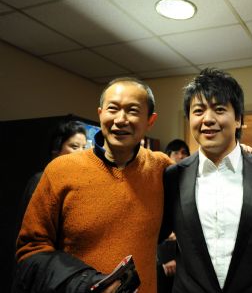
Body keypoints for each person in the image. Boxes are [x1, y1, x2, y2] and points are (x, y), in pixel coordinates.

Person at [14, 77, 173, 293]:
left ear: (150, 120)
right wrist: (85, 283)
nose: (120, 119)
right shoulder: (60, 170)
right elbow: (31, 248)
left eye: (133, 111)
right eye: (112, 109)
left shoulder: (161, 168)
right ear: (100, 114)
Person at [161, 68, 252, 293]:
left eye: (219, 109)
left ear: (238, 119)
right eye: (198, 111)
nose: (208, 119)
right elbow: (155, 232)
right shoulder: (173, 176)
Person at [17, 120, 87, 227]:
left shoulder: (80, 181)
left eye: (84, 147)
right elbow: (28, 226)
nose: (82, 152)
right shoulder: (41, 180)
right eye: (74, 146)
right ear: (56, 149)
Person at [157, 139, 190, 293]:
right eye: (176, 153)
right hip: (160, 253)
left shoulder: (192, 181)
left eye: (184, 153)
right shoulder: (159, 180)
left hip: (182, 255)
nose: (181, 156)